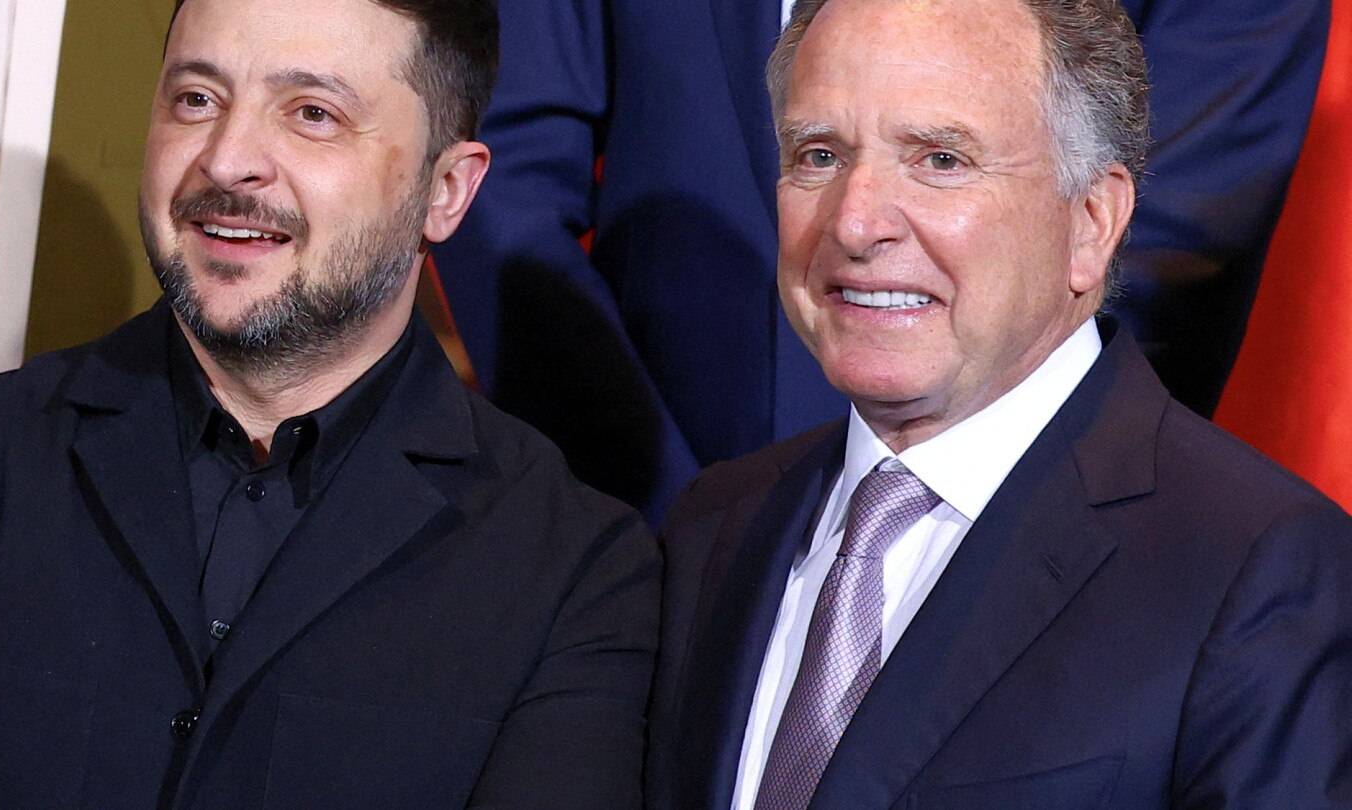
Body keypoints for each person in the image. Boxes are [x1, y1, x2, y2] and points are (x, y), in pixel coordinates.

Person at [0, 0, 658, 806]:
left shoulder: (572, 571)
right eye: (197, 98)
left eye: (312, 114)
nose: (227, 160)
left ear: (446, 190)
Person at [645, 0, 1352, 807]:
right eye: (819, 155)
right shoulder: (713, 528)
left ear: (1092, 223)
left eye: (940, 159)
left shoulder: (1259, 570)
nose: (854, 222)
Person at [430, 0, 1329, 523]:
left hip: (1036, 550)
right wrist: (656, 510)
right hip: (637, 513)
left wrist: (979, 535)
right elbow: (504, 175)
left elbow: (1167, 232)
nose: (857, 223)